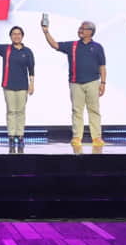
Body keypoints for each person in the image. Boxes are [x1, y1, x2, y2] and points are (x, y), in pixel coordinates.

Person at [42, 18, 106, 148]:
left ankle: (96, 137)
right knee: (77, 111)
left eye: (83, 28)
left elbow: (102, 66)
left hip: (93, 82)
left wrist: (103, 83)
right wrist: (46, 32)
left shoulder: (98, 47)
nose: (80, 30)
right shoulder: (73, 45)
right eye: (80, 28)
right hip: (75, 83)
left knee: (94, 110)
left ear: (90, 31)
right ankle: (77, 137)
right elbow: (55, 45)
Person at [0, 19, 34, 149]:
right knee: (11, 111)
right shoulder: (6, 49)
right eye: (14, 34)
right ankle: (11, 136)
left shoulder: (27, 51)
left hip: (23, 86)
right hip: (8, 85)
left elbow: (31, 69)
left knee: (21, 111)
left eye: (19, 34)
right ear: (10, 36)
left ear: (22, 36)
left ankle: (20, 135)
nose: (16, 36)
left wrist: (32, 84)